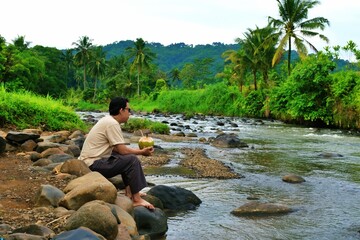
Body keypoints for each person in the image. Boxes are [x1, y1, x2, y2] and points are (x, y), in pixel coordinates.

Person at [78, 96, 155, 210]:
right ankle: (136, 199)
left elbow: (117, 150)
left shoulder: (108, 120)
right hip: (92, 165)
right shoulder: (112, 123)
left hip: (89, 162)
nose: (130, 113)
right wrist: (141, 152)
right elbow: (123, 150)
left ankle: (131, 192)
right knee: (132, 160)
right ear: (121, 110)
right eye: (128, 110)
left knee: (125, 157)